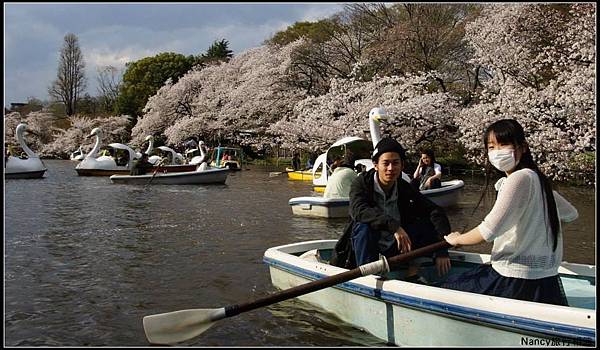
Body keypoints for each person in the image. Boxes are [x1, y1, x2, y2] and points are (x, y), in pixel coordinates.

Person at [442, 119, 578, 306]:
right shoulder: (539, 180)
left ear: (523, 148)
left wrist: (456, 239)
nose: (497, 152)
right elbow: (570, 214)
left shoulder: (518, 179)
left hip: (513, 280)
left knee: (447, 289)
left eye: (504, 144)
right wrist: (535, 231)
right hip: (546, 281)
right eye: (491, 147)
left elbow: (488, 231)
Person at [330, 137, 452, 283]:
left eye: (395, 163)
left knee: (423, 222)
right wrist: (394, 226)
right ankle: (368, 279)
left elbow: (435, 211)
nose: (390, 168)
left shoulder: (403, 187)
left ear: (401, 165)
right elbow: (358, 210)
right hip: (366, 246)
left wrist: (442, 248)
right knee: (364, 226)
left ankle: (412, 270)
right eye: (385, 163)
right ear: (375, 165)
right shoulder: (361, 183)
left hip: (395, 247)